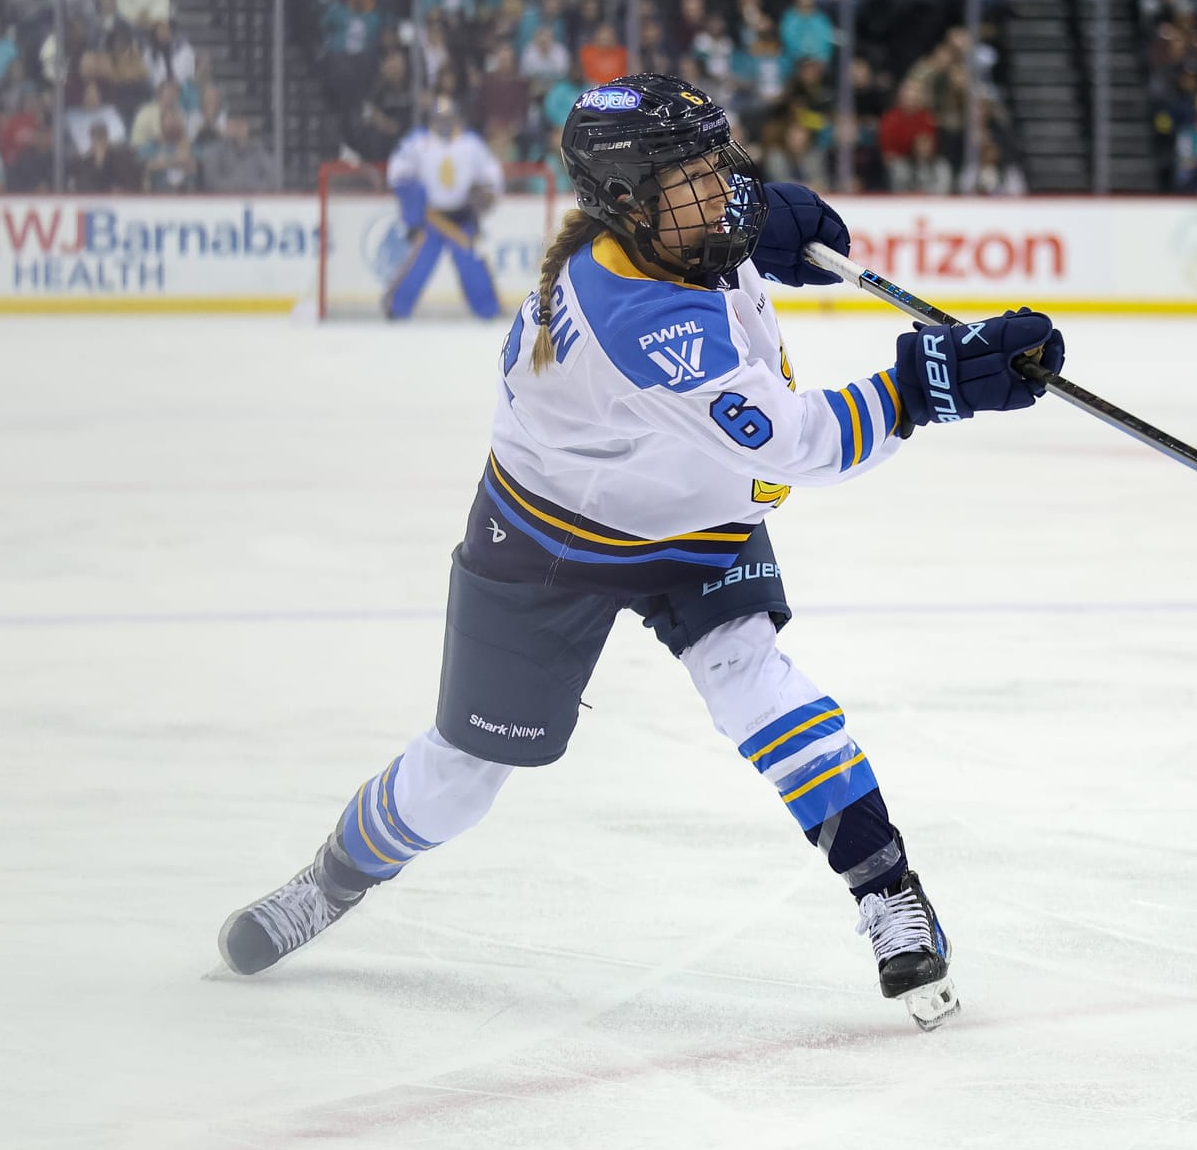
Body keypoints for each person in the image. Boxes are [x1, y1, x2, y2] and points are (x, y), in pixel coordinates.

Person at [216, 73, 1067, 1030]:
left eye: (719, 162)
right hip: (550, 539)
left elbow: (732, 261)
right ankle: (330, 881)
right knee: (459, 779)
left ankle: (888, 892)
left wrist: (757, 228)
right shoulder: (643, 323)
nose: (723, 188)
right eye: (695, 176)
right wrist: (928, 389)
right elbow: (798, 445)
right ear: (625, 198)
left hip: (693, 507)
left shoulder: (678, 231)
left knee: (753, 679)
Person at [381, 95, 507, 319]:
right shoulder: (417, 142)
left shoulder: (471, 144)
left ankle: (488, 310)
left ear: (457, 118)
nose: (444, 123)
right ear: (432, 119)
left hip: (461, 217)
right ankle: (397, 308)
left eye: (448, 118)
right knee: (418, 266)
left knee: (472, 266)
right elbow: (396, 172)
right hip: (430, 218)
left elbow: (492, 175)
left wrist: (486, 193)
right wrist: (412, 195)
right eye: (440, 118)